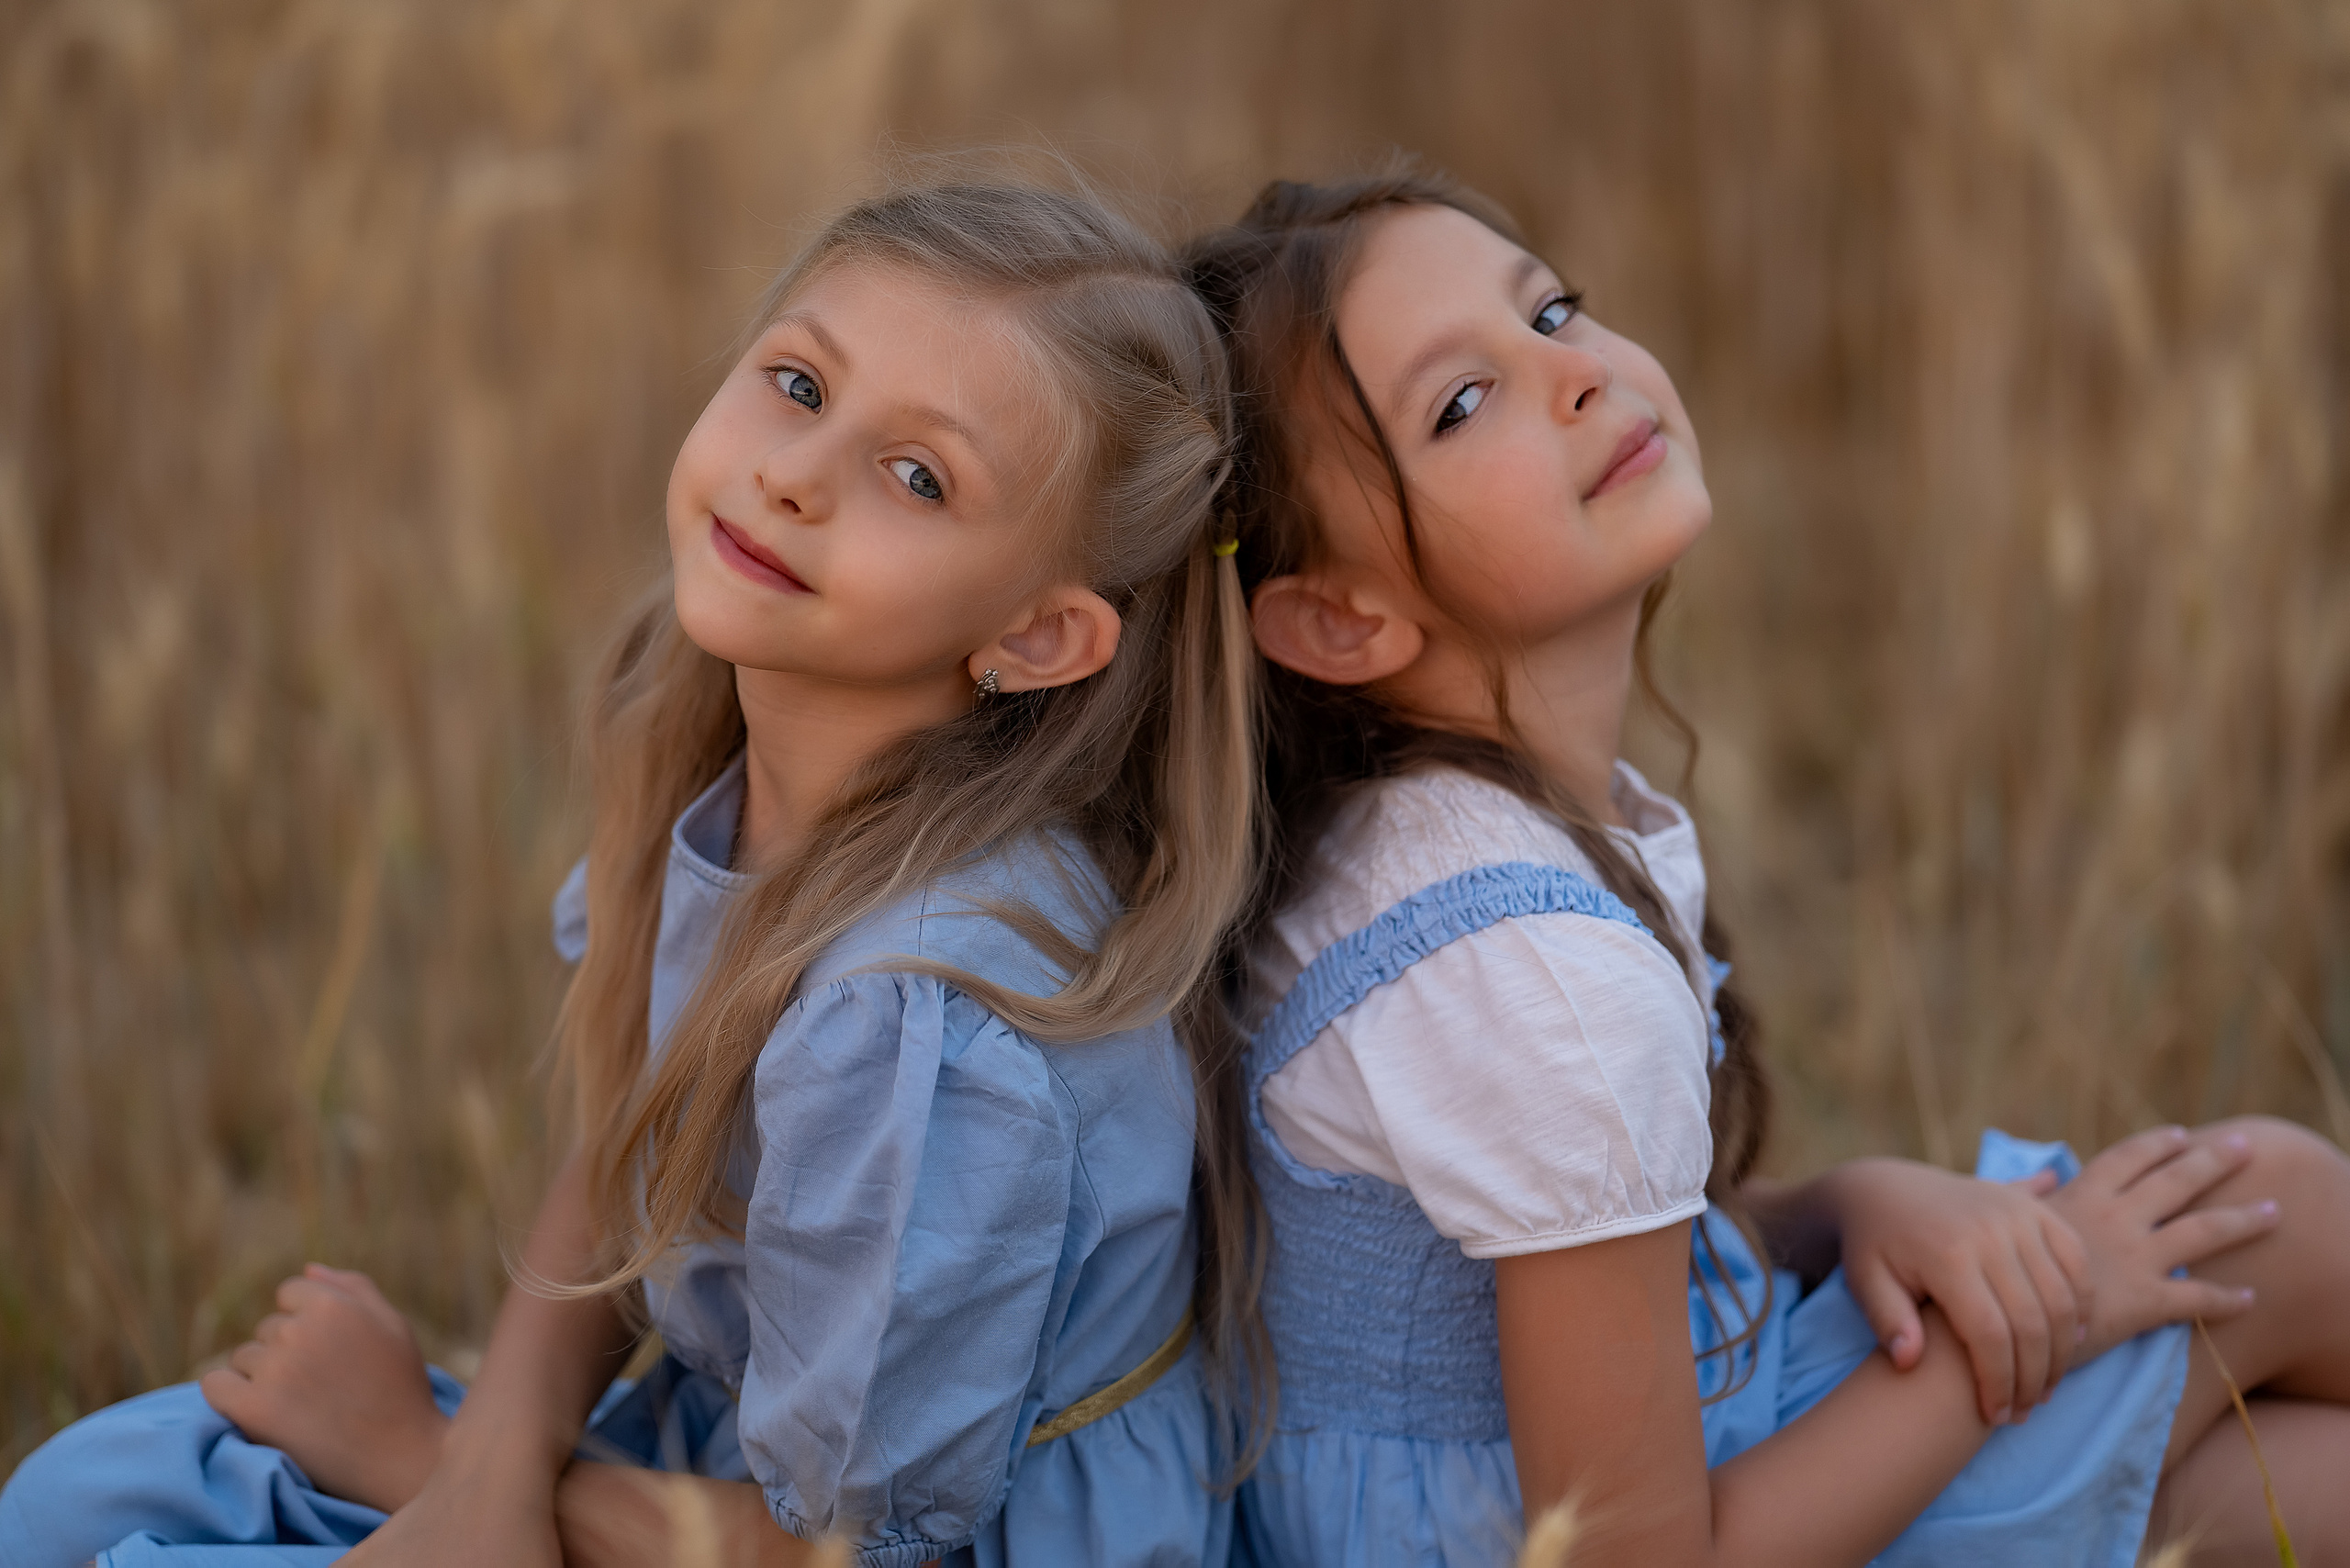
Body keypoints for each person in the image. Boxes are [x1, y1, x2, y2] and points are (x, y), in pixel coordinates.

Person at [0, 175, 1268, 1568]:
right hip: (711, 1470)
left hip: (895, 1543)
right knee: (77, 1501)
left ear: (1035, 637)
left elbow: (855, 1549)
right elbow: (631, 1133)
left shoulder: (928, 1028)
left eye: (918, 477)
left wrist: (412, 1451)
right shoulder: (733, 774)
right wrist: (490, 1460)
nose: (795, 472)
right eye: (797, 385)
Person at [1182, 167, 2350, 1567]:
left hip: (1676, 1422)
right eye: (1461, 402)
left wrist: (1850, 1204)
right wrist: (2070, 1303)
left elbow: (1567, 1261)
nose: (1569, 373)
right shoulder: (1531, 975)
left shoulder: (1399, 842)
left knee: (2295, 1488)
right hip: (1633, 1519)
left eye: (1552, 310)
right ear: (1336, 619)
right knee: (2269, 1216)